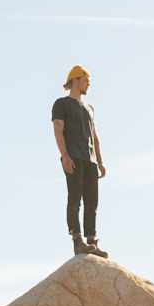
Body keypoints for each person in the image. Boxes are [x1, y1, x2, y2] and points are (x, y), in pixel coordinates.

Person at [51, 65, 108, 258]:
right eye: (86, 81)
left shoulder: (89, 108)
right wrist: (65, 156)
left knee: (92, 201)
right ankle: (77, 240)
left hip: (90, 160)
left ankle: (91, 240)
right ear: (75, 80)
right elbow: (58, 130)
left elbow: (95, 136)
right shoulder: (62, 104)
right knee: (75, 198)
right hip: (73, 156)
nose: (88, 85)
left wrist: (100, 161)